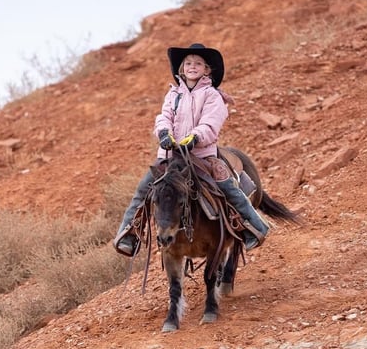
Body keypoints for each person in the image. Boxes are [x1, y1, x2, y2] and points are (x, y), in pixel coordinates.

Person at [112, 43, 270, 257]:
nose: (192, 66)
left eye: (198, 63)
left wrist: (195, 137)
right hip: (169, 157)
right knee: (143, 190)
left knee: (228, 188)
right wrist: (164, 134)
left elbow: (211, 123)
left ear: (207, 70)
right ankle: (129, 234)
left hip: (201, 156)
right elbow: (164, 117)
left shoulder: (213, 96)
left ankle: (253, 228)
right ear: (181, 68)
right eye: (188, 63)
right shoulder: (173, 94)